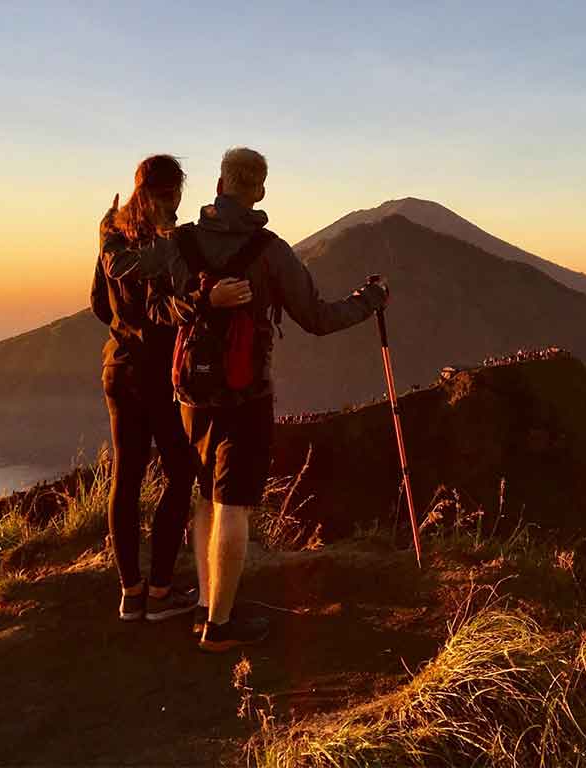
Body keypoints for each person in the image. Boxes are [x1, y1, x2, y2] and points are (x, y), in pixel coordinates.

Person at [110, 147, 389, 651]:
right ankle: (220, 625)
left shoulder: (179, 241)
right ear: (258, 189)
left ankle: (203, 604)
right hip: (246, 394)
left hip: (189, 391)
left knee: (203, 497)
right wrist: (371, 301)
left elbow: (121, 267)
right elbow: (318, 319)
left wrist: (120, 225)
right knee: (232, 503)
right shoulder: (270, 251)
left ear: (219, 183)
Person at [91, 154, 252, 622]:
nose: (177, 201)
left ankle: (130, 593)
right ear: (171, 192)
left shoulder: (113, 236)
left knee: (127, 475)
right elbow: (171, 308)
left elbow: (99, 303)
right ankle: (160, 591)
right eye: (174, 193)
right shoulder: (171, 243)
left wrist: (125, 328)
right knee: (180, 474)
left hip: (118, 369)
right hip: (159, 374)